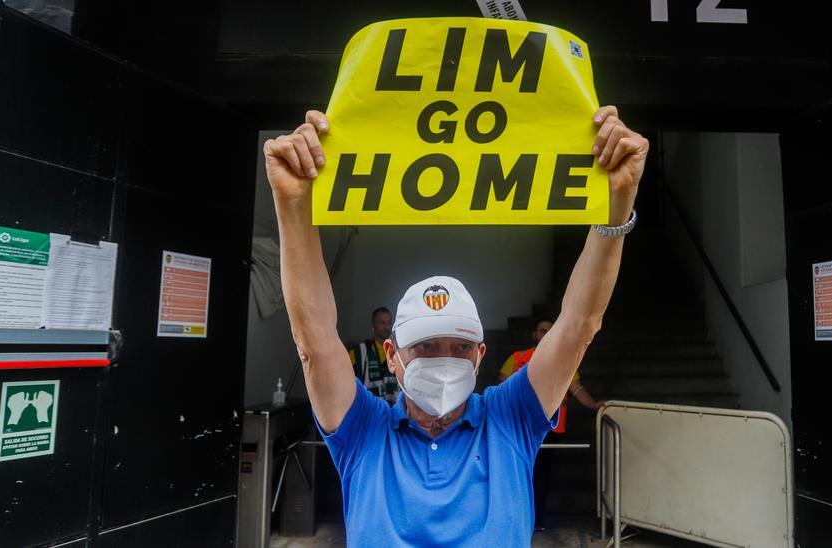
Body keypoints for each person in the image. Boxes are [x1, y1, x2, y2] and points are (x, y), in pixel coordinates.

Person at [264, 104, 648, 545]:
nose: (445, 358)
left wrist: (617, 205)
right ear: (392, 355)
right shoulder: (362, 431)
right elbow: (314, 341)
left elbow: (579, 325)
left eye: (460, 346)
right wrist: (293, 206)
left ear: (481, 354)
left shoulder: (510, 417)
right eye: (425, 347)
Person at [498, 318, 604, 530]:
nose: (546, 334)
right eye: (542, 331)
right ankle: (516, 519)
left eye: (550, 331)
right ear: (535, 335)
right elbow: (500, 388)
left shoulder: (566, 361)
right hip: (518, 428)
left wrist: (593, 405)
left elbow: (577, 389)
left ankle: (536, 520)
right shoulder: (517, 358)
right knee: (517, 473)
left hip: (550, 430)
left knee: (542, 474)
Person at [346, 306, 399, 403]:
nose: (386, 327)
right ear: (372, 325)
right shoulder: (359, 352)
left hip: (395, 412)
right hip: (370, 411)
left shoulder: (399, 350)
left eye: (389, 323)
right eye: (382, 323)